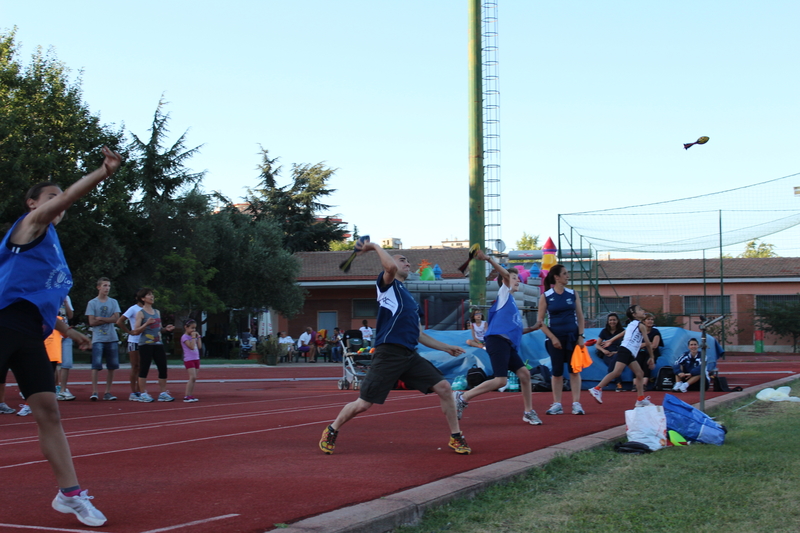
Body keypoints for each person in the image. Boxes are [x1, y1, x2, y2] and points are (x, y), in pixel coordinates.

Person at [0, 145, 120, 526]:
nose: (59, 203)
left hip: (27, 335)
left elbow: (33, 302)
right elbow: (69, 195)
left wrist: (70, 331)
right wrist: (103, 172)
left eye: (59, 198)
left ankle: (69, 495)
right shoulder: (31, 226)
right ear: (32, 203)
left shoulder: (51, 249)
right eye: (51, 197)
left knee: (49, 411)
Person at [319, 243, 471, 455]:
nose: (407, 263)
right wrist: (374, 246)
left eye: (408, 261)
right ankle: (332, 429)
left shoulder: (409, 299)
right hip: (388, 353)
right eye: (403, 260)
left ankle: (456, 437)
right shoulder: (387, 286)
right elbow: (389, 268)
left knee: (444, 387)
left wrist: (446, 348)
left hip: (409, 355)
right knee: (364, 404)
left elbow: (420, 335)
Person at [453, 249, 543, 425]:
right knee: (500, 380)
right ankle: (463, 397)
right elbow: (506, 277)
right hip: (496, 341)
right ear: (505, 281)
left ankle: (528, 411)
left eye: (518, 278)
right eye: (515, 278)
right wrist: (489, 259)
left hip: (507, 344)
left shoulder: (512, 307)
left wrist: (533, 328)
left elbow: (515, 331)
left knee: (524, 374)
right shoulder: (503, 296)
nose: (518, 280)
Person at [537, 264, 587, 415]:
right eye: (564, 273)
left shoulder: (573, 294)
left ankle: (576, 403)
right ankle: (557, 404)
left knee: (574, 370)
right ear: (556, 277)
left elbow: (580, 317)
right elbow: (540, 322)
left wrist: (580, 336)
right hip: (555, 340)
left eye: (567, 273)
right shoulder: (546, 296)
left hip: (572, 338)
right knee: (557, 371)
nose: (567, 276)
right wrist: (553, 338)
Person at [589, 305, 655, 407]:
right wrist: (652, 357)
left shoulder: (632, 324)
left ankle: (640, 399)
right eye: (640, 310)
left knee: (640, 373)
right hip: (626, 350)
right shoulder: (640, 325)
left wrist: (610, 340)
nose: (643, 311)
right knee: (616, 372)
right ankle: (597, 389)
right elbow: (648, 343)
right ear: (634, 314)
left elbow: (622, 334)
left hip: (629, 352)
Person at [133, 288, 176, 402]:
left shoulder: (157, 312)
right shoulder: (140, 313)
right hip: (145, 344)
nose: (152, 297)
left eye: (152, 295)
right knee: (144, 368)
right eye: (149, 295)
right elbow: (136, 330)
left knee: (163, 367)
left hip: (158, 343)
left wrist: (165, 329)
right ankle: (143, 394)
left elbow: (158, 329)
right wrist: (146, 323)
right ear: (143, 298)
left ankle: (163, 393)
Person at [85, 277, 121, 401]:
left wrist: (101, 318)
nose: (107, 288)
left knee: (112, 366)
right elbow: (91, 321)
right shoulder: (92, 303)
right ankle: (95, 391)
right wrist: (106, 319)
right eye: (105, 285)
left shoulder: (113, 302)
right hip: (98, 338)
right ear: (99, 287)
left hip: (111, 337)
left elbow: (116, 319)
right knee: (96, 365)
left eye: (109, 286)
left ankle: (108, 391)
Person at [116, 292, 144, 401]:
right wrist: (129, 331)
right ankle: (134, 391)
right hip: (134, 341)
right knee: (135, 366)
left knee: (143, 366)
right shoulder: (133, 309)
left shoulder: (149, 310)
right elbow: (120, 321)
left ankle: (141, 389)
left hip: (145, 341)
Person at [595, 313, 625, 392]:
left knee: (615, 360)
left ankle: (607, 381)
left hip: (618, 352)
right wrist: (604, 350)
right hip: (607, 353)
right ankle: (618, 383)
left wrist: (615, 352)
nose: (612, 322)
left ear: (617, 321)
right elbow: (597, 345)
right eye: (610, 320)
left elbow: (626, 344)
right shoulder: (604, 331)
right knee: (612, 362)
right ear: (608, 321)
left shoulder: (622, 331)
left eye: (614, 320)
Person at [56, 297, 76, 401]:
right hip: (53, 333)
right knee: (52, 362)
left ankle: (63, 389)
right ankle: (54, 388)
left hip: (65, 333)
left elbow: (70, 315)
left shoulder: (66, 297)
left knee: (67, 362)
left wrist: (65, 302)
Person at [637, 313, 663, 390]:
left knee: (646, 362)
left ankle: (644, 384)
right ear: (644, 321)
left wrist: (644, 344)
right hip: (640, 352)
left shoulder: (655, 332)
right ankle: (636, 385)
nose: (650, 321)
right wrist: (649, 343)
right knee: (636, 361)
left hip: (652, 352)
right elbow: (636, 345)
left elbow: (654, 345)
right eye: (648, 319)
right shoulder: (639, 332)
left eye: (652, 319)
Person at [181, 319, 202, 402]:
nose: (193, 330)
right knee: (192, 377)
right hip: (189, 359)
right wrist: (193, 337)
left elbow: (199, 347)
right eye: (192, 328)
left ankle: (190, 394)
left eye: (195, 328)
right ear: (186, 327)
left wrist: (198, 337)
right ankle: (187, 395)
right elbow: (191, 346)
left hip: (196, 358)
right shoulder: (184, 337)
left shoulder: (193, 337)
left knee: (194, 378)